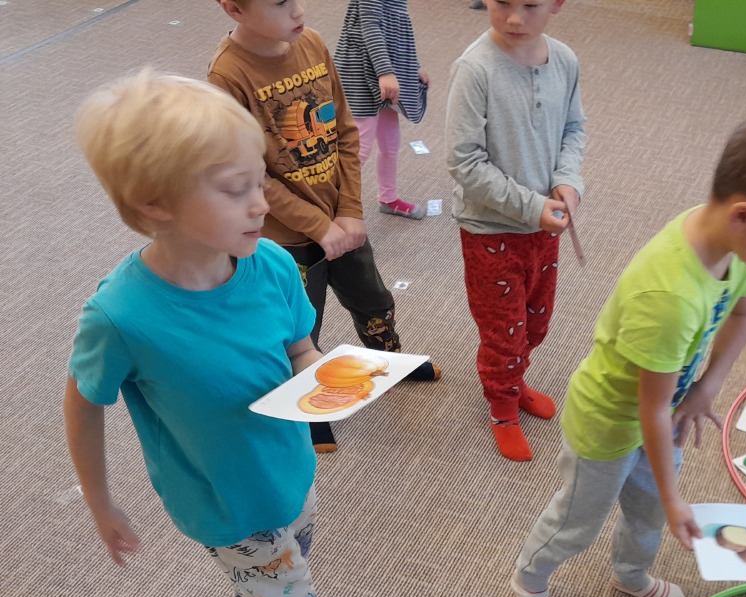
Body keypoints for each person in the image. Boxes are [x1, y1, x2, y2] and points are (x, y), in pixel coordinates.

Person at [65, 72, 384, 597]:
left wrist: (328, 377)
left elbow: (299, 347)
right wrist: (100, 502)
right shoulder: (120, 317)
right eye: (236, 190)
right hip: (222, 497)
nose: (262, 205)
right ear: (156, 202)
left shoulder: (271, 264)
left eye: (260, 182)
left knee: (283, 560)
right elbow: (82, 403)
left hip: (287, 463)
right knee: (282, 582)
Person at [509, 103, 746, 597]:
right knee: (579, 521)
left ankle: (630, 575)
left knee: (649, 513)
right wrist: (677, 497)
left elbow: (744, 313)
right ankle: (529, 579)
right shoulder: (669, 297)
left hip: (664, 411)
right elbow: (647, 407)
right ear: (743, 215)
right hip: (609, 423)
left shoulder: (736, 248)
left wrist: (706, 388)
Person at [210, 0, 440, 454]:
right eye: (281, 3)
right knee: (300, 328)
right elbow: (252, 174)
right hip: (287, 239)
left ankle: (388, 358)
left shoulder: (311, 42)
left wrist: (350, 210)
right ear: (235, 9)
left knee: (373, 298)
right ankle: (307, 407)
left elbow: (346, 131)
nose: (299, 10)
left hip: (342, 219)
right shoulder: (227, 76)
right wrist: (317, 225)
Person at [446, 0, 585, 462]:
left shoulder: (564, 60)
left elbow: (573, 129)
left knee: (535, 318)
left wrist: (568, 181)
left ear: (557, 4)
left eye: (530, 5)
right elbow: (464, 162)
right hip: (490, 229)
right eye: (503, 2)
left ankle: (516, 380)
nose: (513, 18)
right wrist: (532, 206)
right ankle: (502, 407)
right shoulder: (475, 69)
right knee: (503, 329)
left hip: (544, 226)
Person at [334, 0, 430, 220]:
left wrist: (413, 66)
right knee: (359, 148)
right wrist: (385, 72)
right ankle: (333, 206)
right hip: (362, 72)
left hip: (386, 73)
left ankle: (389, 198)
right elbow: (370, 27)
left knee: (390, 143)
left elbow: (398, 31)